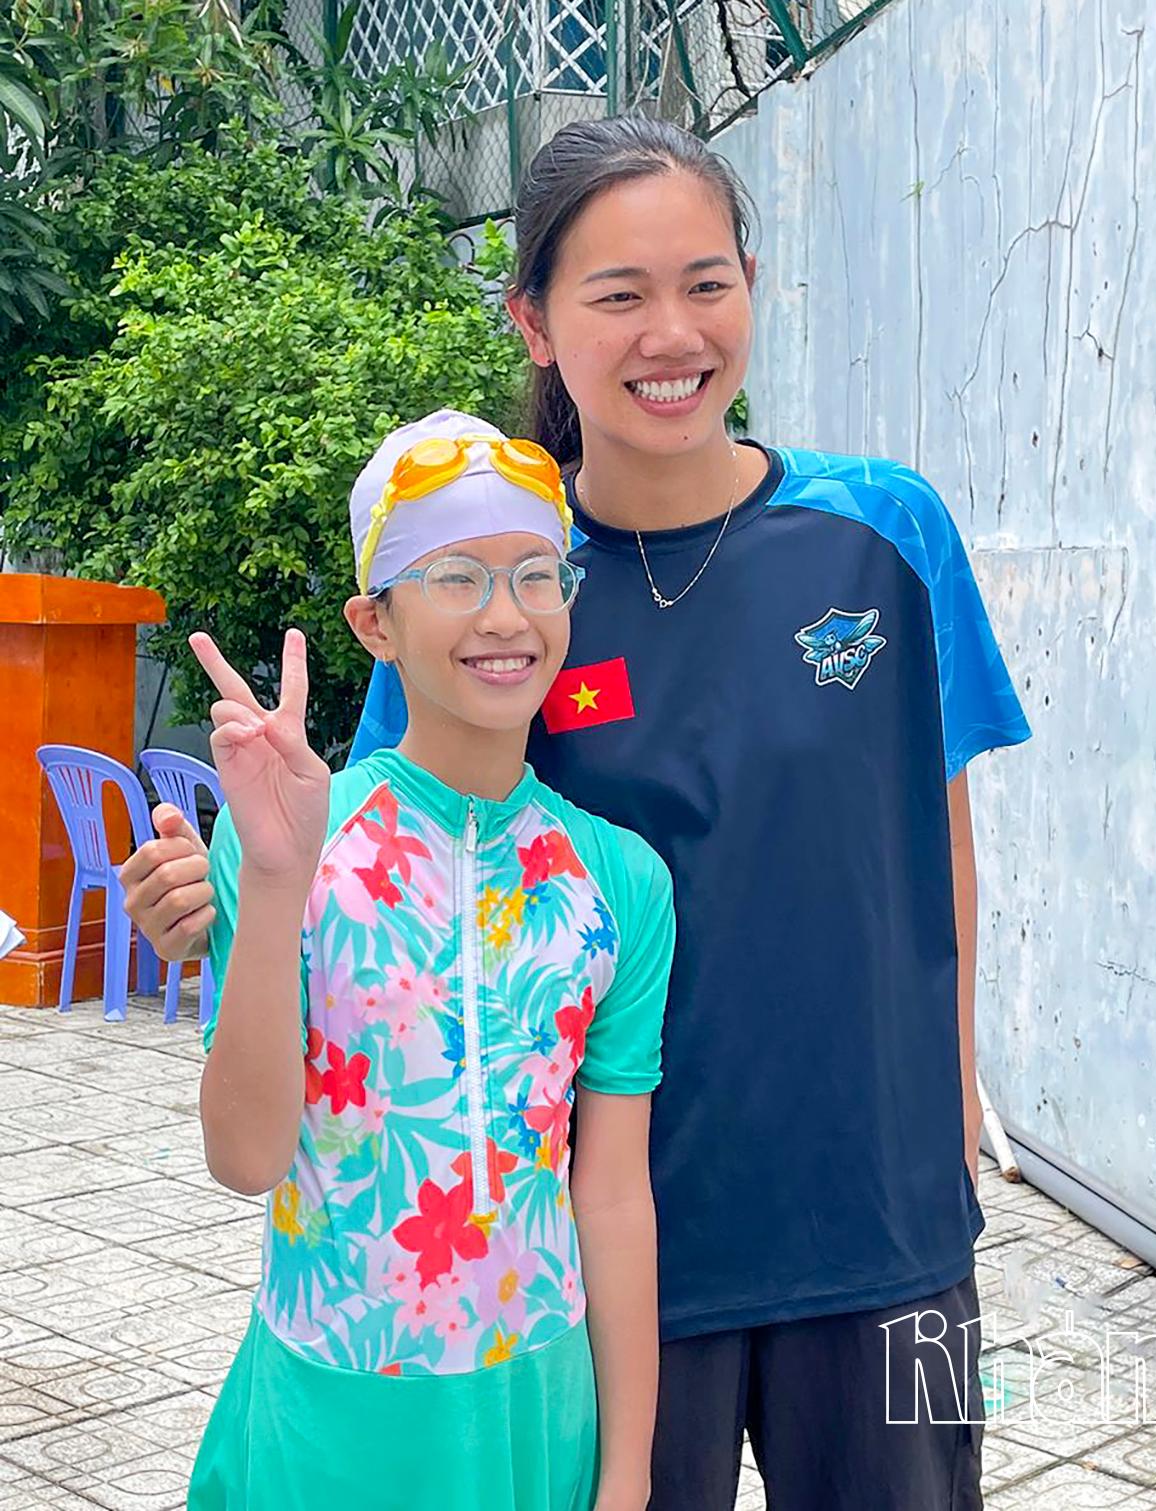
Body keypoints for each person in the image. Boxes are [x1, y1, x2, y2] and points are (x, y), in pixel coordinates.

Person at [124, 117, 1030, 1511]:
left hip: (886, 1223)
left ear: (750, 286)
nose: (673, 333)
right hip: (615, 1250)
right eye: (619, 294)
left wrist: (953, 1098)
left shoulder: (887, 530)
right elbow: (385, 860)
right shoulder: (510, 590)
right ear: (536, 323)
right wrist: (224, 903)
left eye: (707, 282)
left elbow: (938, 838)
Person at [181, 414, 674, 1511]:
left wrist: (629, 1472)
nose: (505, 616)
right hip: (326, 1413)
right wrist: (275, 879)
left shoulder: (621, 879)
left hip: (536, 1415)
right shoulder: (291, 840)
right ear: (376, 623)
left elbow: (611, 1192)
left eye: (537, 575)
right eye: (456, 577)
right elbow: (247, 1157)